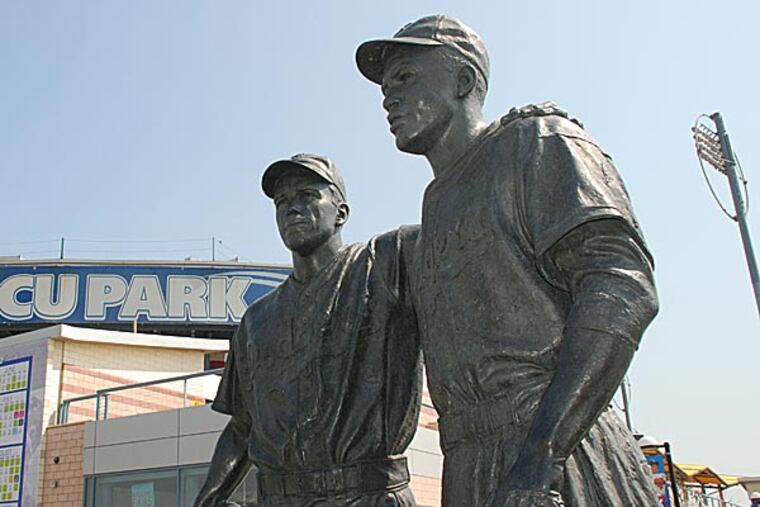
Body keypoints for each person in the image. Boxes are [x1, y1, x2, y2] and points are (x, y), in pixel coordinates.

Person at [356, 15, 659, 507]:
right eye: (385, 87)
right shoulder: (434, 205)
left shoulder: (537, 141)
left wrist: (541, 458)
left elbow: (622, 286)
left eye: (406, 78)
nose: (389, 97)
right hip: (469, 460)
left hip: (555, 451)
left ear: (462, 80)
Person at [194, 153, 421, 507]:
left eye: (307, 195)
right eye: (282, 202)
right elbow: (242, 427)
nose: (292, 209)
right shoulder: (256, 321)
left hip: (368, 496)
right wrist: (209, 497)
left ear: (341, 212)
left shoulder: (388, 263)